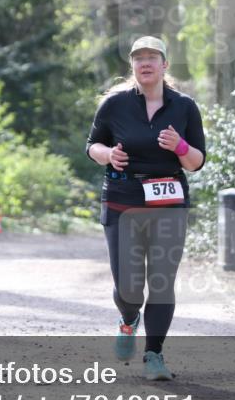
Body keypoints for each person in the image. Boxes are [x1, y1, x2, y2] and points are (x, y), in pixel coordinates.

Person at [86, 36, 206, 380]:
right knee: (128, 288)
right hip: (122, 201)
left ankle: (154, 355)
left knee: (162, 281)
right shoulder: (114, 104)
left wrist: (180, 146)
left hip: (168, 203)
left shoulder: (184, 107)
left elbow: (196, 162)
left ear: (164, 64)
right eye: (139, 58)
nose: (146, 63)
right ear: (133, 65)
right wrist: (108, 154)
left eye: (152, 57)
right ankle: (128, 319)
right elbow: (92, 145)